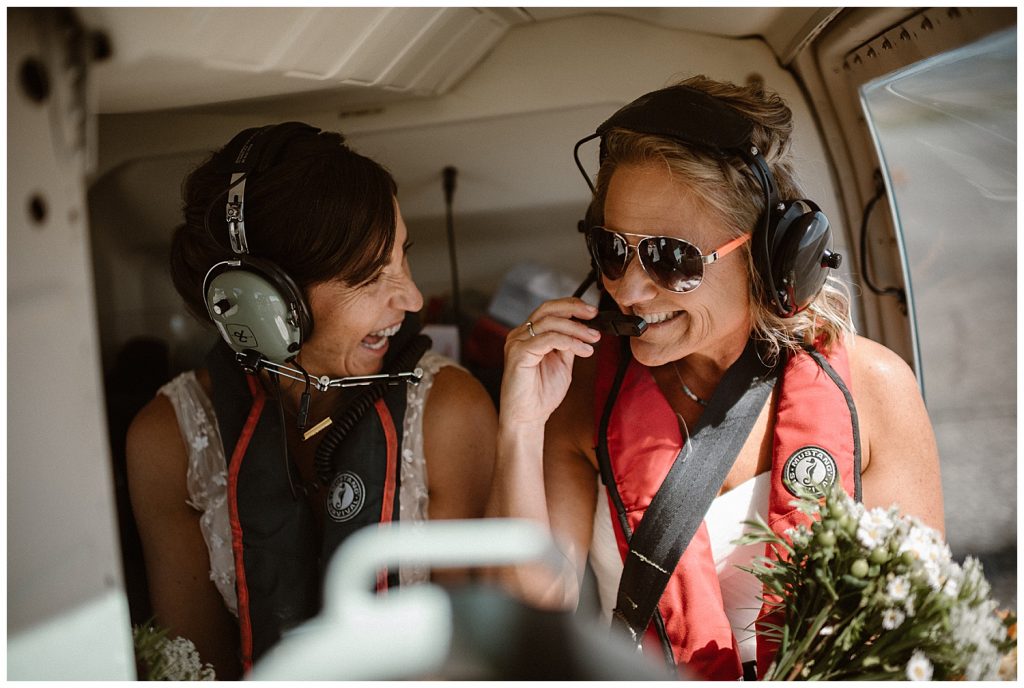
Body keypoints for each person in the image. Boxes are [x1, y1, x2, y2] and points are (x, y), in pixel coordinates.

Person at [489, 76, 944, 680]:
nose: (627, 289)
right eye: (612, 249)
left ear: (767, 256)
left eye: (670, 258)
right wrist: (519, 425)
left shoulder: (874, 389)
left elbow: (920, 631)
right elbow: (527, 618)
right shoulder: (577, 391)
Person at [126, 123, 496, 679]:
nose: (412, 298)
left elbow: (472, 659)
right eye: (371, 278)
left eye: (403, 257)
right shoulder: (168, 440)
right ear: (262, 306)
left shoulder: (448, 411)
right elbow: (197, 669)